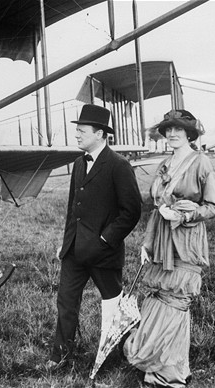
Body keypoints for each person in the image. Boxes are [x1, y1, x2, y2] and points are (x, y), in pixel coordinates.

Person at [123, 109, 215, 387]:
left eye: (178, 130)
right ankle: (154, 367)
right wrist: (147, 243)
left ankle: (171, 373)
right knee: (157, 299)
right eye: (168, 129)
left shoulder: (201, 163)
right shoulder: (165, 164)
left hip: (185, 240)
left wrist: (183, 215)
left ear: (190, 134)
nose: (171, 134)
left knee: (175, 303)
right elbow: (156, 209)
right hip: (161, 240)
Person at [43, 104, 141, 370]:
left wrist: (106, 241)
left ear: (100, 134)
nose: (76, 135)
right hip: (74, 251)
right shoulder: (78, 163)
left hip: (103, 254)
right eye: (76, 130)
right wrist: (66, 244)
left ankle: (124, 354)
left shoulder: (119, 166)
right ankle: (59, 356)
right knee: (65, 302)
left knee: (114, 307)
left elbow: (131, 211)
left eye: (81, 130)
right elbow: (73, 209)